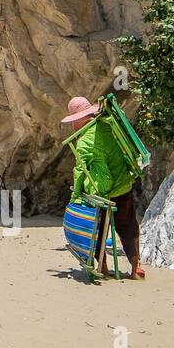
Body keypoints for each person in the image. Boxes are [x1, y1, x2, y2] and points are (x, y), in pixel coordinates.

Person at [63, 97, 144, 280]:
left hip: (101, 193)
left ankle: (103, 267)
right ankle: (136, 266)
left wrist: (76, 194)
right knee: (128, 225)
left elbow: (80, 171)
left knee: (98, 229)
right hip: (123, 184)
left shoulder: (84, 141)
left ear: (79, 119)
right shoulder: (110, 126)